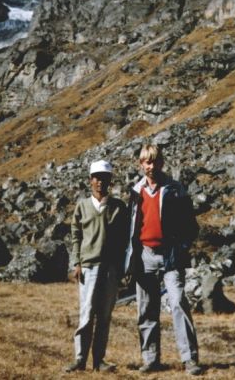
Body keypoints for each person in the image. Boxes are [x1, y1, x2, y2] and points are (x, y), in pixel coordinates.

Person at [125, 143, 202, 376]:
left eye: (155, 161)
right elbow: (130, 226)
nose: (151, 166)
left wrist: (181, 248)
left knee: (178, 302)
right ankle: (150, 358)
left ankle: (189, 359)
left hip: (170, 256)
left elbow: (191, 225)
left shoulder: (176, 189)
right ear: (140, 165)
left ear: (162, 162)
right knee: (146, 308)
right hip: (144, 256)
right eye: (146, 162)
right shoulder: (136, 192)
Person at [65, 159, 127, 373]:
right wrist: (76, 262)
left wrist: (121, 268)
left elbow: (124, 240)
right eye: (96, 177)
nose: (100, 181)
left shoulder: (119, 207)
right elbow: (75, 235)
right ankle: (80, 359)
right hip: (89, 267)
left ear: (110, 180)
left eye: (105, 177)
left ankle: (99, 360)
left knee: (105, 316)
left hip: (110, 269)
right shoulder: (82, 206)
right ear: (90, 180)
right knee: (86, 314)